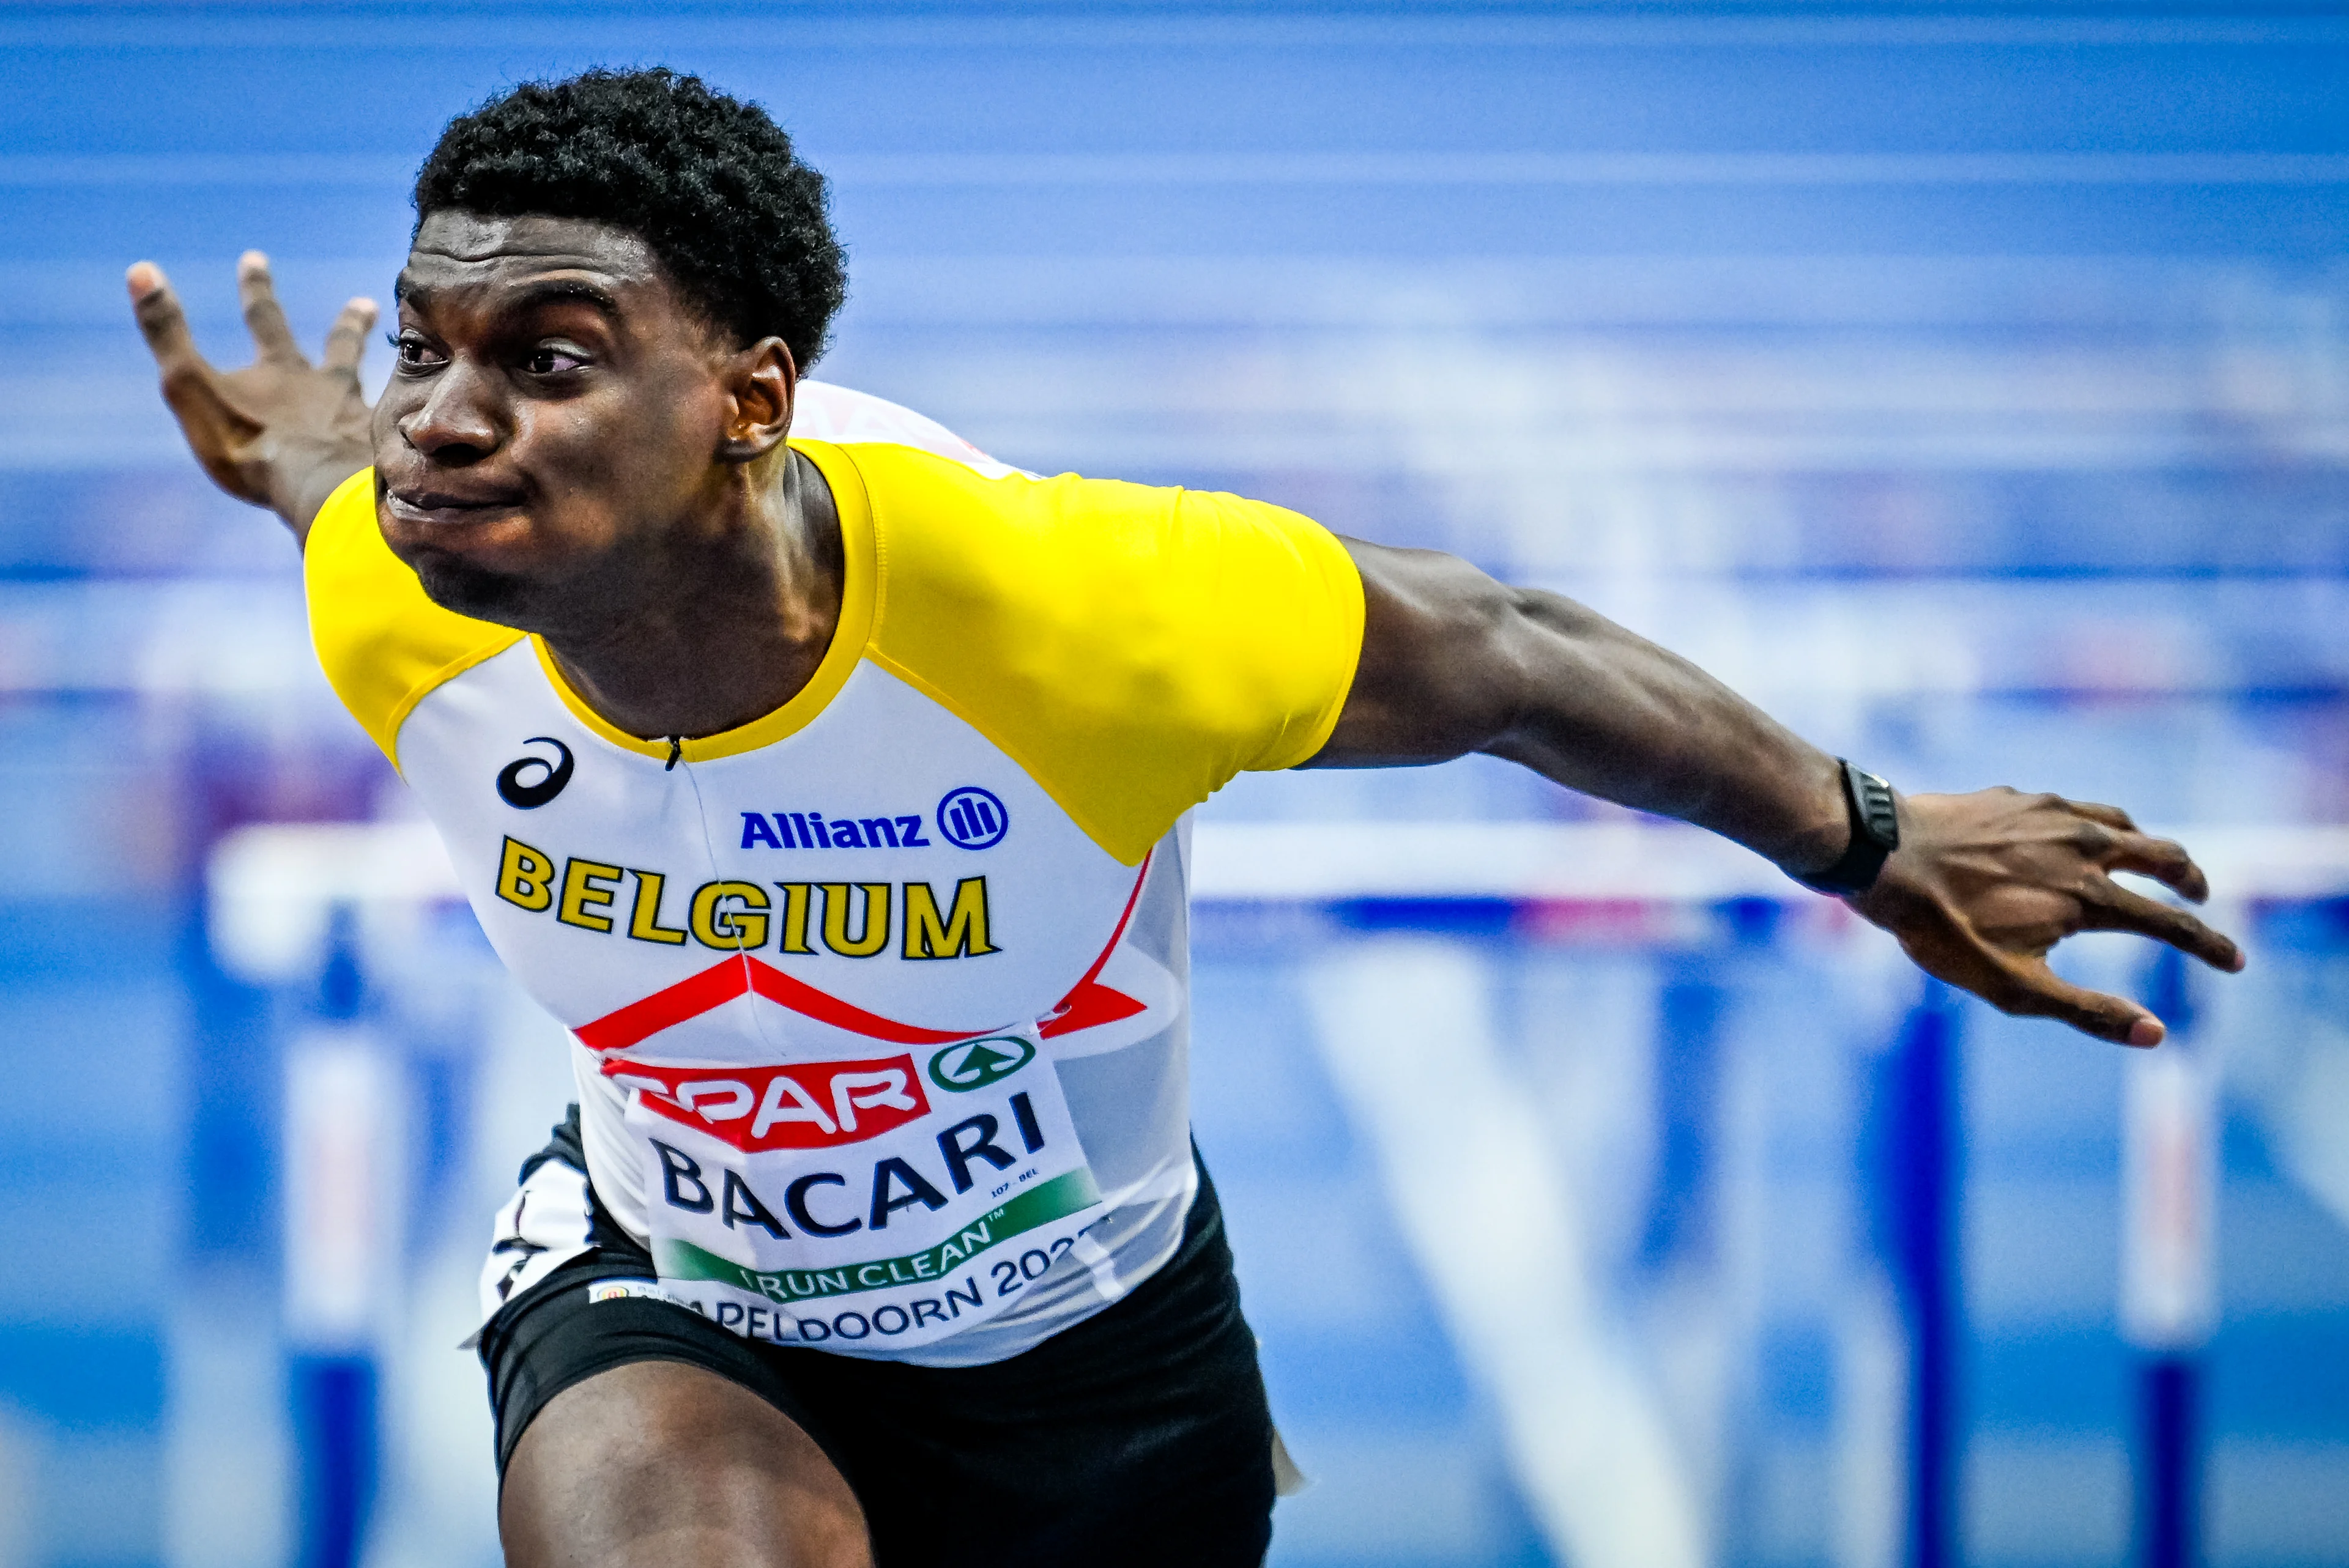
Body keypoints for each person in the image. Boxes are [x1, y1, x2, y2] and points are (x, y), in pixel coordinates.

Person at [127, 67, 2241, 1568]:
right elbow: (361, 489)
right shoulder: (399, 589)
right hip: (673, 1292)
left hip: (1105, 1372)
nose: (446, 423)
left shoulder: (1076, 621)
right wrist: (317, 454)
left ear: (750, 403)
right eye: (421, 347)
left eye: (548, 357)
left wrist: (1871, 834)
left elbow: (1500, 648)